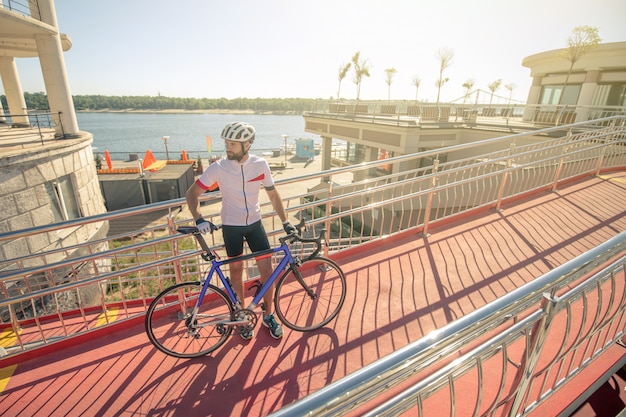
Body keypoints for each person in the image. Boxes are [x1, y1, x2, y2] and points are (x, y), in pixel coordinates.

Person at [185, 121, 296, 340]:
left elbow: (273, 195)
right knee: (236, 272)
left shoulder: (260, 165)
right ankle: (241, 318)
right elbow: (192, 194)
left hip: (255, 224)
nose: (227, 147)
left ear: (247, 144)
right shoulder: (219, 167)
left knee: (268, 272)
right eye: (226, 142)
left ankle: (268, 315)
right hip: (231, 226)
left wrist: (285, 221)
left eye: (232, 144)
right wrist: (199, 218)